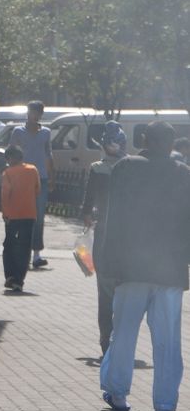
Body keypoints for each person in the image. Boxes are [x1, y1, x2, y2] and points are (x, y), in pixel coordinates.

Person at [99, 121, 190, 411]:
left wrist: (110, 262)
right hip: (170, 270)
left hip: (132, 266)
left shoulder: (126, 167)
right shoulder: (183, 174)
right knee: (168, 339)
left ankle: (119, 393)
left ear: (144, 140)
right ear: (172, 143)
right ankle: (164, 404)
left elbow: (115, 218)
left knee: (124, 333)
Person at [81, 120, 127, 355]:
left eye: (116, 141)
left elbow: (88, 199)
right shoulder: (130, 167)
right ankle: (112, 338)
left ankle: (108, 338)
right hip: (122, 236)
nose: (113, 145)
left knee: (107, 291)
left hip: (108, 235)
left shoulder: (100, 167)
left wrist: (87, 214)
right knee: (117, 291)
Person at [10, 100, 54, 269]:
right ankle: (21, 251)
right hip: (22, 179)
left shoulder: (46, 133)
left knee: (39, 217)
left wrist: (52, 177)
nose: (34, 116)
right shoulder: (18, 132)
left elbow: (49, 155)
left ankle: (36, 254)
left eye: (37, 113)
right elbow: (11, 154)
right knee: (22, 215)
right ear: (27, 113)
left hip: (40, 178)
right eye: (32, 112)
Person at [1, 145, 40, 292]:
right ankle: (19, 280)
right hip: (29, 214)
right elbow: (38, 190)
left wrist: (5, 213)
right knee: (25, 248)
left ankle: (10, 276)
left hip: (12, 215)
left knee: (9, 245)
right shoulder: (33, 170)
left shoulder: (8, 173)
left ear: (10, 158)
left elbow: (5, 195)